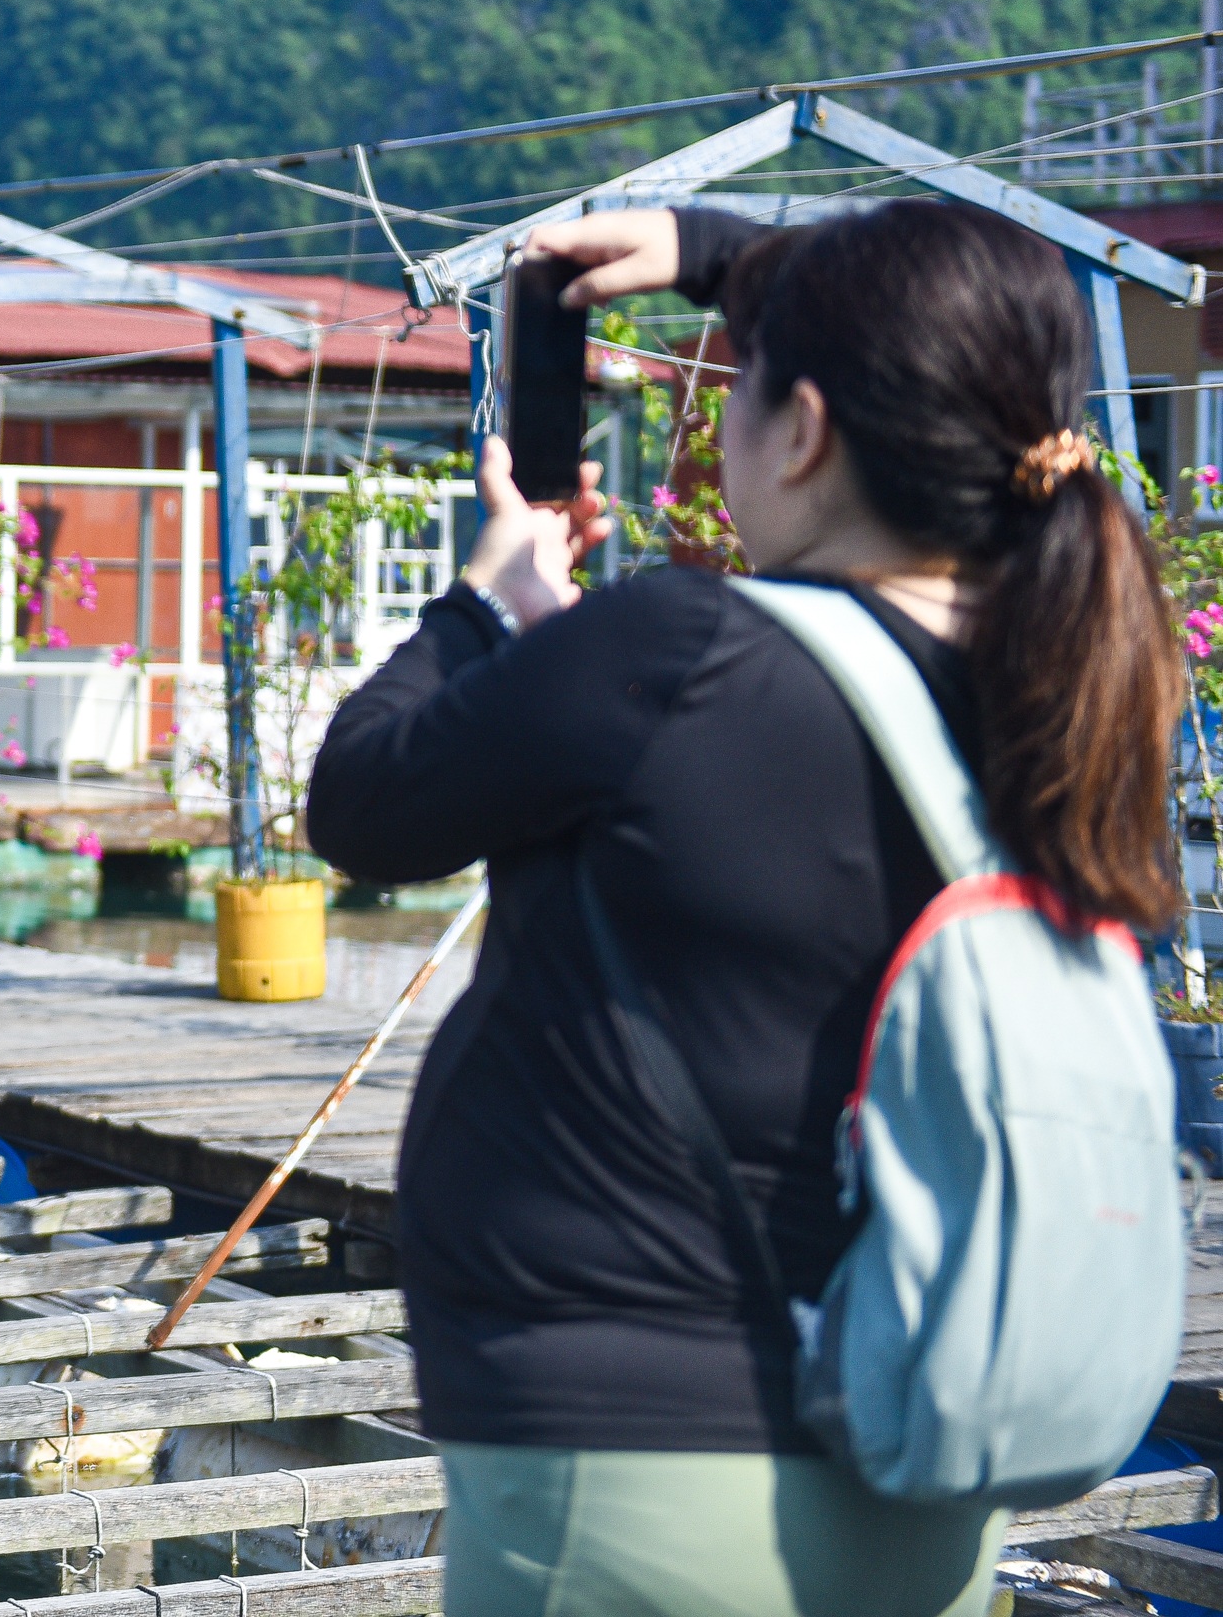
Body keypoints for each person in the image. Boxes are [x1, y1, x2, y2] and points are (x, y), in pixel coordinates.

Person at [305, 201, 1181, 1617]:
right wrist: (718, 253)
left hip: (633, 1487)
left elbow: (361, 804)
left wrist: (483, 602)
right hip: (919, 1490)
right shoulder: (1068, 700)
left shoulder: (679, 650)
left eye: (745, 385)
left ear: (806, 432)